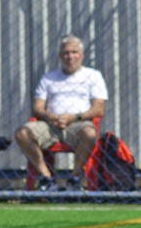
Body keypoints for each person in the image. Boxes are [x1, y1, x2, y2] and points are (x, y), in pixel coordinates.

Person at [14, 34, 107, 191]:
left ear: (82, 55)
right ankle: (47, 178)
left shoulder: (93, 76)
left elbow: (99, 108)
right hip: (50, 124)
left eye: (74, 52)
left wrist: (74, 117)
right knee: (22, 133)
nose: (70, 57)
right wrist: (50, 117)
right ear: (60, 55)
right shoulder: (49, 78)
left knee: (90, 133)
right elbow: (38, 107)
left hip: (78, 123)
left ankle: (74, 178)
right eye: (66, 53)